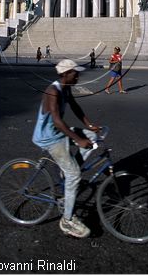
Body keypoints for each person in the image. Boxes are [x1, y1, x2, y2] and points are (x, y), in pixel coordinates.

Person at [32, 59, 100, 238]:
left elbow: (76, 107)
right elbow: (57, 120)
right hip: (49, 137)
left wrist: (89, 125)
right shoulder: (52, 91)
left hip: (59, 133)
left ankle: (68, 169)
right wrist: (78, 139)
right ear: (64, 74)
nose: (77, 75)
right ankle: (67, 221)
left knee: (92, 138)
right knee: (75, 174)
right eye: (74, 72)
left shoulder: (66, 88)